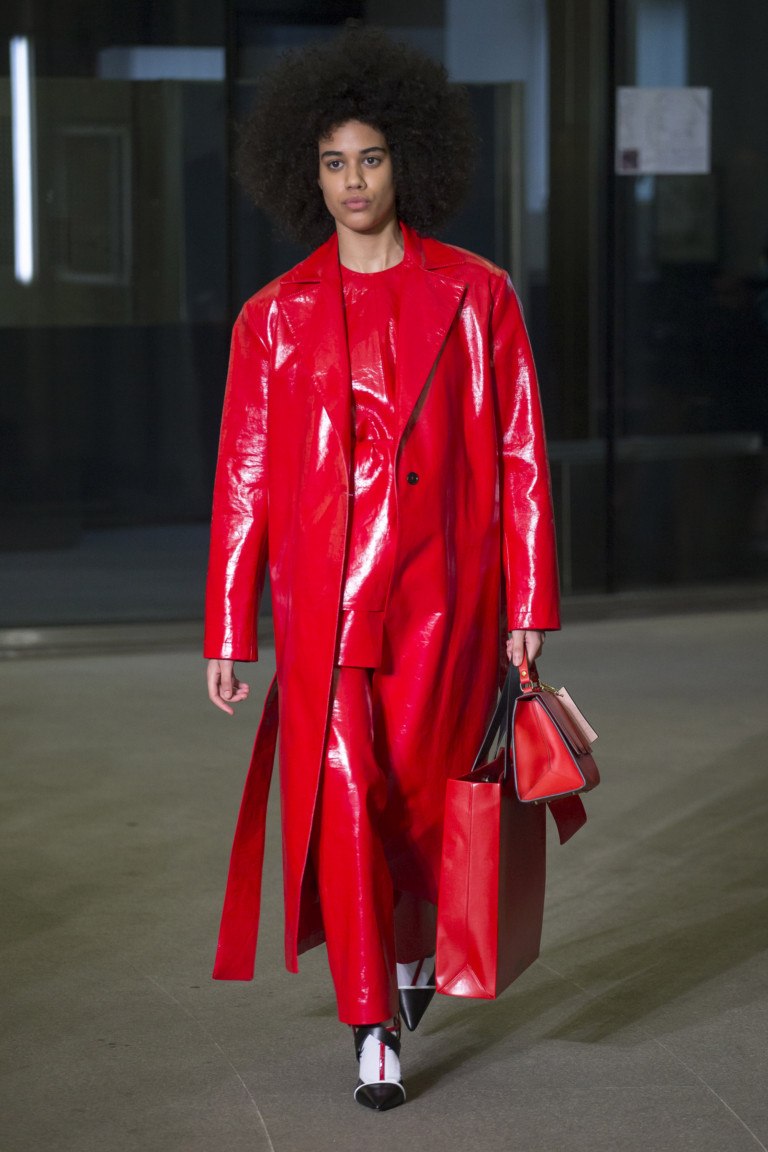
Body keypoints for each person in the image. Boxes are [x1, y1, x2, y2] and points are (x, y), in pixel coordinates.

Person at [204, 27, 559, 1112]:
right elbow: (244, 476)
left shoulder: (478, 294)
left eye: (370, 157)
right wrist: (229, 627)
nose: (353, 180)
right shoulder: (273, 317)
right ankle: (372, 1025)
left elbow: (521, 451)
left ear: (408, 160)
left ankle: (412, 957)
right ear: (305, 175)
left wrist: (532, 601)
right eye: (332, 162)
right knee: (347, 801)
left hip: (448, 602)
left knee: (425, 800)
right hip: (326, 610)